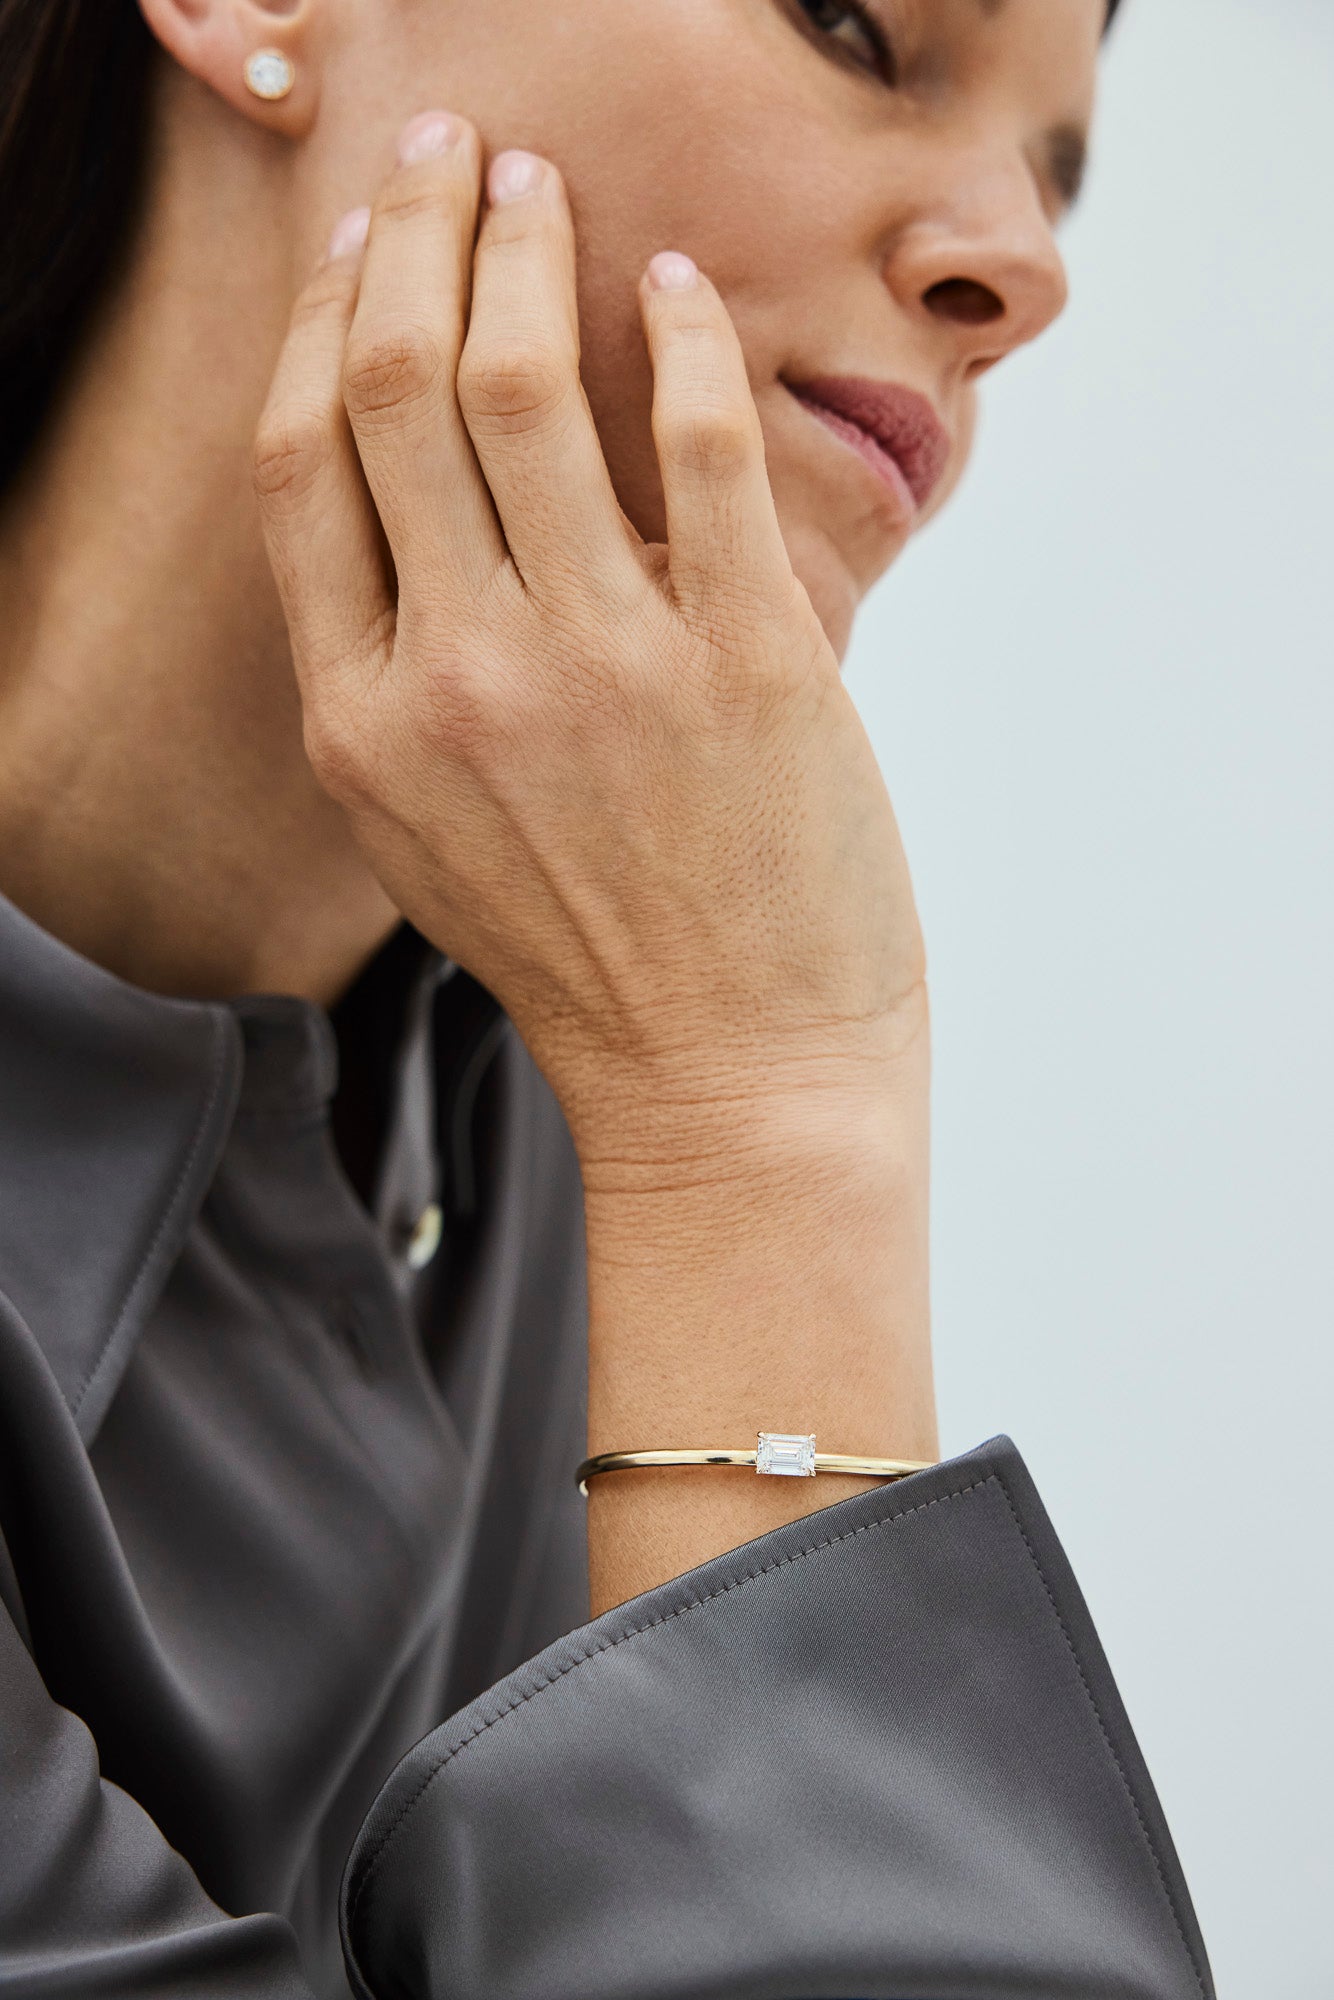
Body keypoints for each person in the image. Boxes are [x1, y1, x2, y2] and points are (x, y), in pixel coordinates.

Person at [0, 0, 1215, 1994]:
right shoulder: (662, 1088)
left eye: (1053, 169)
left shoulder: (526, 1106)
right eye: (860, 24)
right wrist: (762, 1134)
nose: (1027, 272)